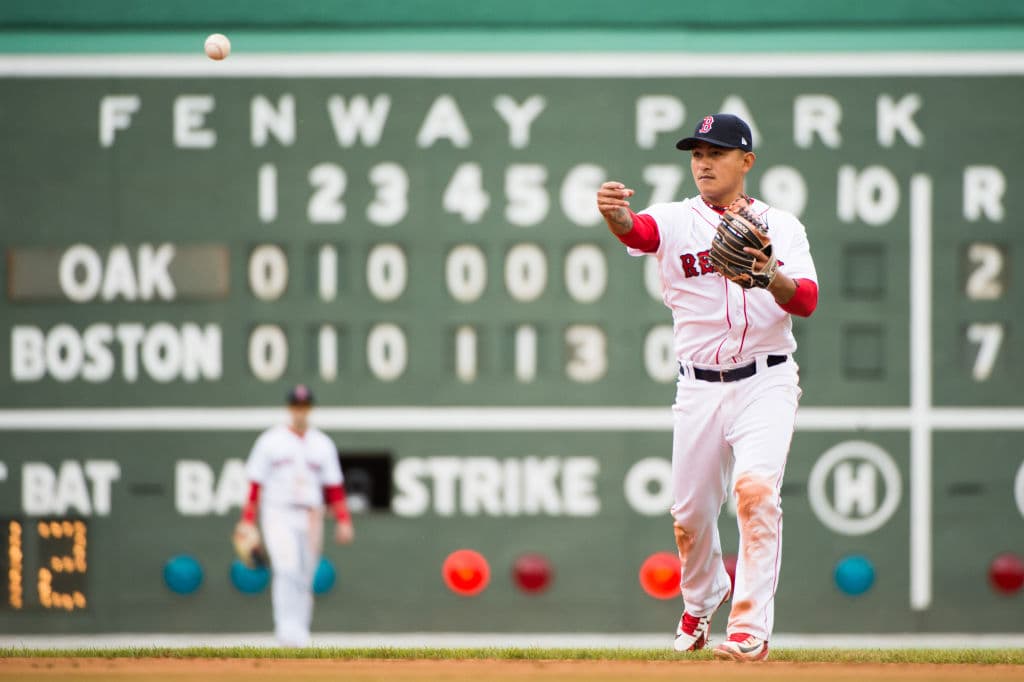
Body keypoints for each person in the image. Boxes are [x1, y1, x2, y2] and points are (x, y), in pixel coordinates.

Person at [596, 113, 818, 662]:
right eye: (696, 153)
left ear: (746, 162)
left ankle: (748, 630)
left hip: (766, 378)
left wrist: (770, 275)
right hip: (698, 386)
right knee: (690, 515)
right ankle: (701, 600)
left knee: (756, 492)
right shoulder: (674, 219)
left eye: (716, 153)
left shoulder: (781, 225)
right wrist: (616, 215)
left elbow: (806, 301)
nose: (703, 162)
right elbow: (638, 232)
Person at [235, 384, 354, 647]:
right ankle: (286, 631)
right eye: (296, 406)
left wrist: (344, 520)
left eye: (305, 406)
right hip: (279, 512)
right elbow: (255, 482)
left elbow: (334, 486)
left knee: (305, 574)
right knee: (286, 568)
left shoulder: (322, 443)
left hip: (311, 515)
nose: (300, 411)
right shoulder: (271, 440)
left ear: (310, 409)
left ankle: (300, 633)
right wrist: (247, 518)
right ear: (289, 408)